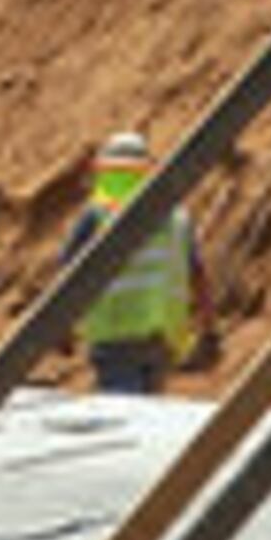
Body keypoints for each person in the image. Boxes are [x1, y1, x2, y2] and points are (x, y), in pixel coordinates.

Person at [65, 129, 204, 397]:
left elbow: (68, 273)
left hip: (115, 335)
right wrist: (208, 328)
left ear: (103, 170)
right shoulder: (176, 217)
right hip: (162, 336)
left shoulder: (97, 213)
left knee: (122, 420)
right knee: (146, 421)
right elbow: (197, 274)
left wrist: (60, 329)